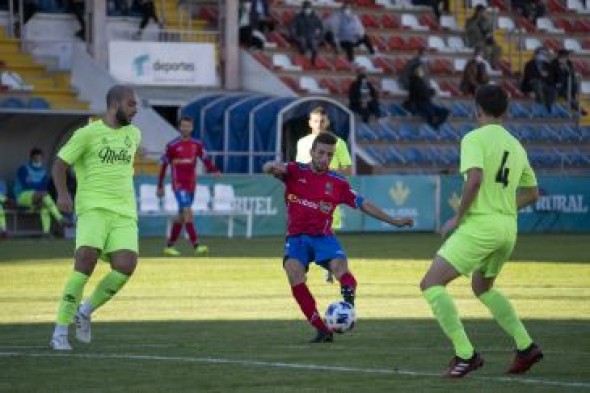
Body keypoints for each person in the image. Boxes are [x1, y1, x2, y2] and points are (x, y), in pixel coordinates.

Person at [419, 85, 543, 377]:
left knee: (431, 284)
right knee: (482, 287)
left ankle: (465, 354)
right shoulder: (516, 145)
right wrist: (503, 206)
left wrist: (457, 218)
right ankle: (526, 346)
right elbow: (533, 193)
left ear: (478, 109)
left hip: (482, 226)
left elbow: (474, 179)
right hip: (507, 228)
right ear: (506, 111)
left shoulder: (473, 138)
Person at [264, 132, 414, 343]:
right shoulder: (294, 170)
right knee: (293, 272)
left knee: (340, 269)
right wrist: (270, 166)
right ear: (312, 152)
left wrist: (394, 221)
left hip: (323, 238)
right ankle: (322, 329)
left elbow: (364, 204)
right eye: (321, 153)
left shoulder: (337, 182)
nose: (325, 158)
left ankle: (348, 304)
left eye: (330, 155)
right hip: (297, 238)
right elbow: (270, 168)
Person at [49, 85, 141, 351]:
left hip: (124, 211)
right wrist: (63, 194)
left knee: (126, 266)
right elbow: (60, 164)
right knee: (85, 263)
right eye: (131, 104)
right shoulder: (87, 134)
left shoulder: (134, 135)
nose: (135, 110)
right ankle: (60, 331)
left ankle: (85, 310)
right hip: (92, 208)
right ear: (115, 105)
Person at [296, 107, 352, 283]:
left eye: (322, 121)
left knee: (328, 230)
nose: (319, 125)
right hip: (306, 196)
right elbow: (298, 169)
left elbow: (348, 169)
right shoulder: (302, 143)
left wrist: (327, 172)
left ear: (327, 122)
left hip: (328, 195)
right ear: (309, 123)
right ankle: (302, 267)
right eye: (315, 121)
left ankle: (330, 264)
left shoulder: (339, 143)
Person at [157, 115, 220, 257]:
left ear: (191, 128)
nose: (185, 128)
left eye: (188, 126)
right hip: (178, 184)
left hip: (191, 185)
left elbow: (205, 160)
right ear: (179, 127)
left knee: (181, 216)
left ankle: (169, 246)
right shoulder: (172, 146)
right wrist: (160, 186)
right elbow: (163, 166)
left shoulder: (197, 144)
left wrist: (214, 170)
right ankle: (196, 245)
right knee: (187, 211)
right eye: (183, 126)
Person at [14, 147, 65, 236]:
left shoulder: (43, 171)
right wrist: (38, 189)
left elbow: (44, 187)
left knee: (45, 206)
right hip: (22, 196)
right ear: (31, 158)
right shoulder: (24, 169)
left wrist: (37, 188)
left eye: (40, 159)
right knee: (44, 195)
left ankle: (46, 232)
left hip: (37, 198)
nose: (38, 161)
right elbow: (27, 186)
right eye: (36, 159)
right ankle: (60, 218)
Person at [405, 64, 450, 129]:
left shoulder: (420, 81)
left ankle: (435, 125)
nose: (421, 71)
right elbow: (423, 94)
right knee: (431, 114)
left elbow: (425, 92)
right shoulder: (414, 82)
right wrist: (432, 91)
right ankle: (433, 126)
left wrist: (431, 91)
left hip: (427, 103)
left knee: (445, 112)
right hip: (419, 104)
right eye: (419, 70)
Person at [289, 1, 323, 66]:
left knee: (315, 48)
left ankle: (313, 61)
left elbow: (321, 29)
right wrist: (296, 37)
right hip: (301, 36)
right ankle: (303, 60)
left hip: (312, 37)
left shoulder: (315, 17)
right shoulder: (298, 17)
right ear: (303, 8)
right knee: (302, 45)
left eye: (308, 7)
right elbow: (292, 28)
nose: (307, 9)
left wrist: (318, 38)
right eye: (305, 8)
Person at [521, 47, 556, 112]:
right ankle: (541, 105)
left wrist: (546, 76)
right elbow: (529, 76)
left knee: (552, 89)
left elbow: (550, 77)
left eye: (544, 54)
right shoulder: (529, 64)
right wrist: (541, 75)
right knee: (538, 84)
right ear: (536, 54)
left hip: (544, 84)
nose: (542, 55)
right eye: (541, 54)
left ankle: (549, 106)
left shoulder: (547, 65)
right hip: (531, 84)